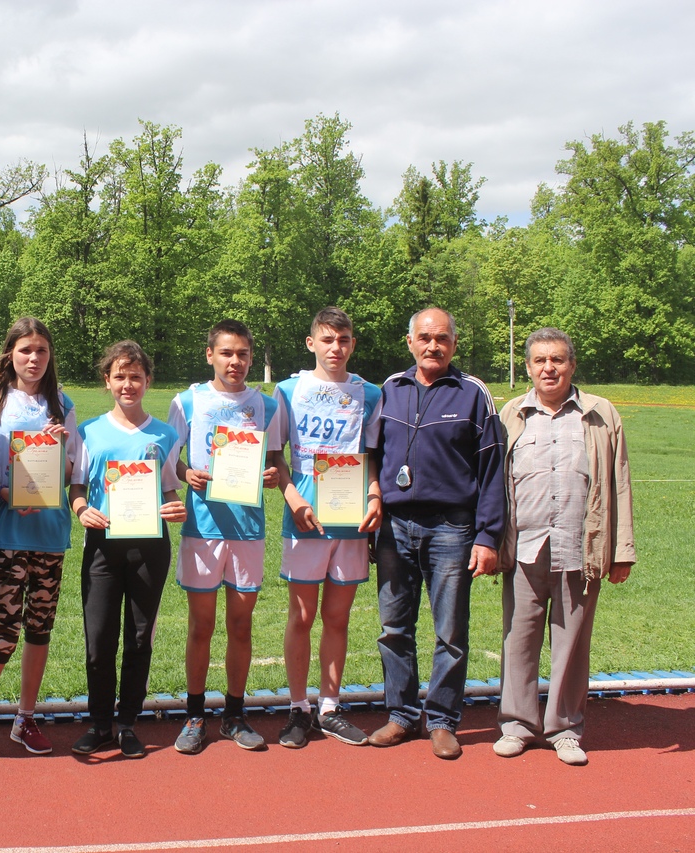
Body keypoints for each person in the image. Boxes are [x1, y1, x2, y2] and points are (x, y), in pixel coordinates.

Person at [493, 328, 635, 766]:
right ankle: (517, 725)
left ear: (572, 365)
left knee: (572, 642)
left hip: (581, 546)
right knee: (518, 638)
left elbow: (621, 482)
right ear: (529, 367)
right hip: (525, 546)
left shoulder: (600, 414)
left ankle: (565, 729)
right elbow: (493, 484)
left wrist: (621, 550)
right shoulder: (511, 414)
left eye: (557, 360)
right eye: (539, 361)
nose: (548, 368)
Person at [370, 306, 505, 760]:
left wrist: (488, 536)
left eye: (442, 338)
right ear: (409, 342)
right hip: (395, 527)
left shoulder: (472, 393)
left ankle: (443, 720)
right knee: (393, 627)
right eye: (425, 337)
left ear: (454, 344)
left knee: (449, 631)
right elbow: (372, 455)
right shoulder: (390, 389)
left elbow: (492, 472)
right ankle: (402, 716)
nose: (433, 346)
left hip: (452, 528)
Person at [0, 319, 78, 761]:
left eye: (41, 351)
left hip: (49, 532)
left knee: (40, 629)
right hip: (6, 531)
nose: (34, 359)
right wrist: (7, 492)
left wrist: (62, 449)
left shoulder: (61, 403)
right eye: (26, 350)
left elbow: (70, 476)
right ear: (10, 353)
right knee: (5, 631)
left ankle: (25, 718)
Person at [167, 320, 282, 755]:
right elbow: (171, 458)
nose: (236, 362)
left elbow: (274, 462)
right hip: (202, 529)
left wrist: (271, 477)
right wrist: (185, 472)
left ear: (252, 357)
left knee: (240, 624)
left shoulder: (266, 405)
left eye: (243, 354)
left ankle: (234, 715)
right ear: (210, 355)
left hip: (248, 531)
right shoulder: (188, 401)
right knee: (201, 626)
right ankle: (195, 715)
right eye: (227, 353)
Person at [269, 307, 382, 749]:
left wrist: (374, 496)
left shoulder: (370, 393)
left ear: (352, 344)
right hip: (304, 519)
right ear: (311, 343)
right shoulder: (287, 390)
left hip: (351, 520)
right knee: (302, 616)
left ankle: (330, 706)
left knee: (337, 617)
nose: (336, 348)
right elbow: (275, 454)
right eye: (327, 339)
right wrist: (293, 497)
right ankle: (299, 708)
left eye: (344, 340)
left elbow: (372, 456)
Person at [69, 341, 186, 759]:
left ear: (148, 381)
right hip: (102, 545)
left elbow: (169, 484)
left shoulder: (165, 434)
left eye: (136, 376)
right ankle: (100, 724)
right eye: (120, 376)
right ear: (107, 381)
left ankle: (127, 724)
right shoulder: (88, 432)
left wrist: (175, 506)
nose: (128, 383)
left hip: (150, 546)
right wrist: (81, 508)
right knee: (99, 640)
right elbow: (77, 485)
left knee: (139, 639)